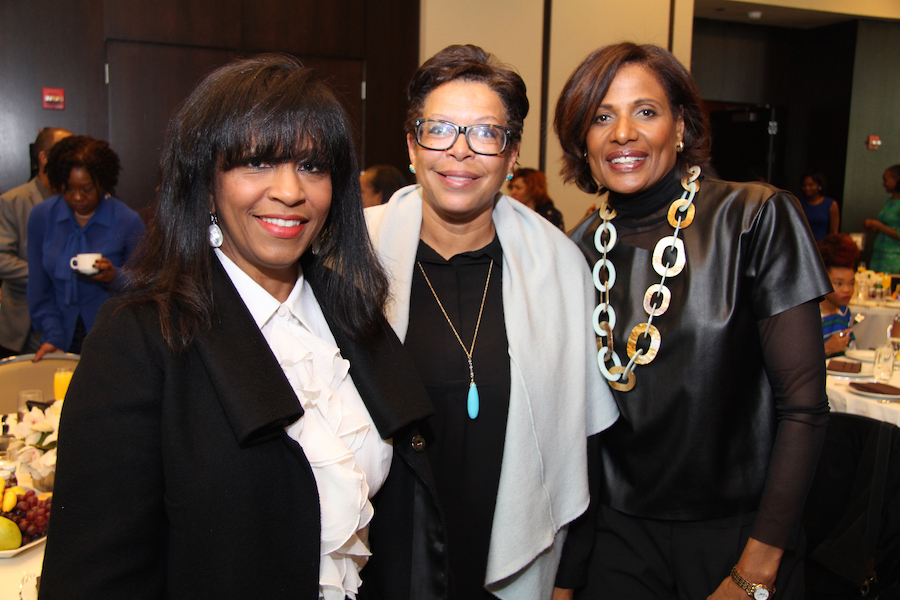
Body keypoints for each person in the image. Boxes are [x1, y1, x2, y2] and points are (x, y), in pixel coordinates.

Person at [39, 55, 438, 600]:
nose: (290, 191)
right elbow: (94, 578)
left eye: (313, 166)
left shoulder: (351, 313)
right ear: (205, 183)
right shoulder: (140, 338)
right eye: (256, 162)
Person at [554, 42, 830, 600]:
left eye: (646, 111)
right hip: (617, 541)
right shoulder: (574, 250)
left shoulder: (754, 216)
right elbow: (579, 432)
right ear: (582, 140)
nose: (623, 133)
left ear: (681, 126)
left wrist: (759, 561)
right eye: (602, 116)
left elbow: (803, 404)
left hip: (737, 536)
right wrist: (569, 574)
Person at [366, 44, 618, 600]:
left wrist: (569, 580)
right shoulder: (351, 254)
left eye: (485, 133)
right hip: (382, 553)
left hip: (508, 547)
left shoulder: (559, 266)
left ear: (511, 156)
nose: (460, 152)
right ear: (411, 145)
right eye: (439, 129)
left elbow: (583, 436)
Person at [26, 135, 145, 360]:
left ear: (103, 182)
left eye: (87, 189)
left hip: (112, 338)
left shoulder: (127, 221)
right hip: (59, 333)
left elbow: (148, 283)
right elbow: (39, 288)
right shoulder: (42, 217)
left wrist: (114, 276)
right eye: (68, 189)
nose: (78, 197)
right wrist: (53, 335)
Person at [0, 127, 72, 358]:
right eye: (64, 152)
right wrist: (47, 274)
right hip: (24, 321)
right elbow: (2, 259)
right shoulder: (14, 201)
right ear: (43, 157)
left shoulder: (80, 201)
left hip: (69, 320)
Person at [817, 233, 860, 357]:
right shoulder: (809, 317)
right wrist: (826, 349)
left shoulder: (844, 313)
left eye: (852, 283)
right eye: (839, 283)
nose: (847, 290)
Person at [864, 164, 900, 273]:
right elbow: (890, 227)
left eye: (886, 180)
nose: (883, 184)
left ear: (897, 179)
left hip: (894, 258)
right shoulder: (890, 201)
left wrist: (879, 225)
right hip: (879, 254)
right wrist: (874, 228)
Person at [799, 171, 838, 241]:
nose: (807, 188)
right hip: (803, 244)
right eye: (804, 186)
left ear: (819, 186)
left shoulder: (830, 204)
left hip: (821, 246)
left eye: (811, 185)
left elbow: (833, 232)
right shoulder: (799, 203)